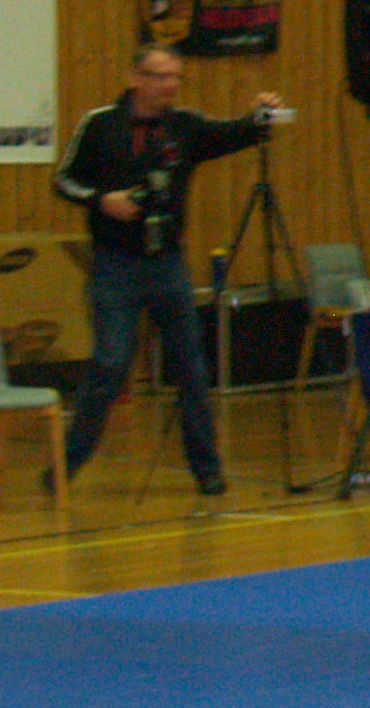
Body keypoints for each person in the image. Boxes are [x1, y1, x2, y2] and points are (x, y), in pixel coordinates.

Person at [53, 46, 286, 497]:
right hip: (115, 264)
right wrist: (101, 200)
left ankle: (207, 469)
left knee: (190, 367)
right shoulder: (100, 124)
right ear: (136, 77)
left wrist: (262, 114)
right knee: (110, 363)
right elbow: (64, 179)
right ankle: (67, 463)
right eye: (160, 77)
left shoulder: (185, 126)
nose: (170, 86)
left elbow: (236, 133)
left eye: (176, 77)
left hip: (167, 265)